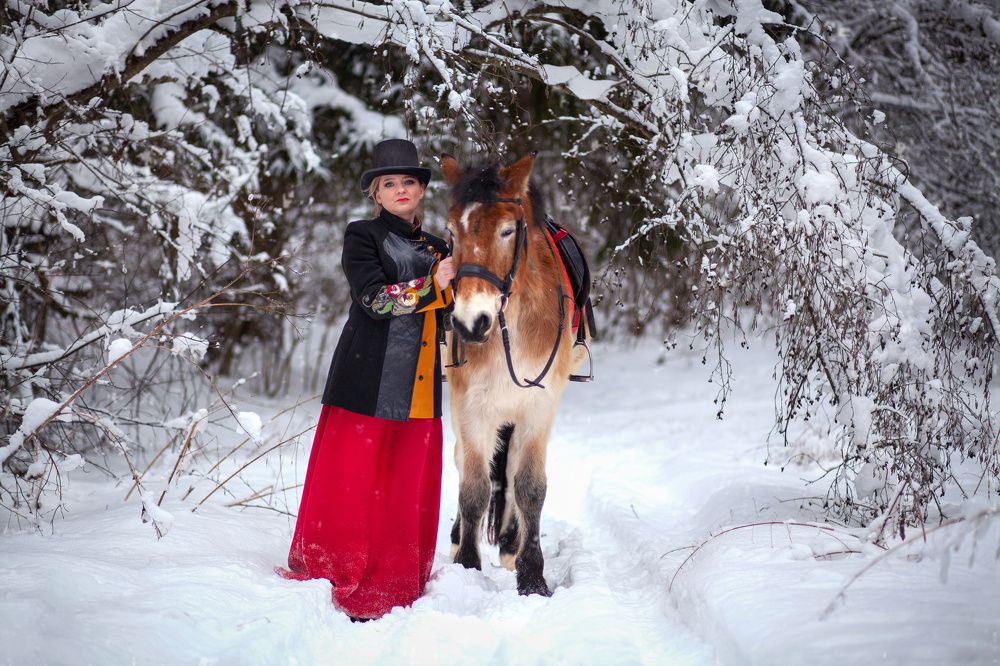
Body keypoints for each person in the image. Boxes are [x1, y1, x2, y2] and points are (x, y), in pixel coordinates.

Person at [277, 138, 455, 621]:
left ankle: (396, 579)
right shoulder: (363, 236)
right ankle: (340, 568)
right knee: (355, 482)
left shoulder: (441, 247)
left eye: (409, 182)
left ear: (421, 190)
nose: (400, 189)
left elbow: (457, 314)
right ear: (376, 194)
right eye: (389, 183)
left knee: (404, 485)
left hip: (420, 384)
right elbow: (373, 300)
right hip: (368, 377)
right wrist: (431, 285)